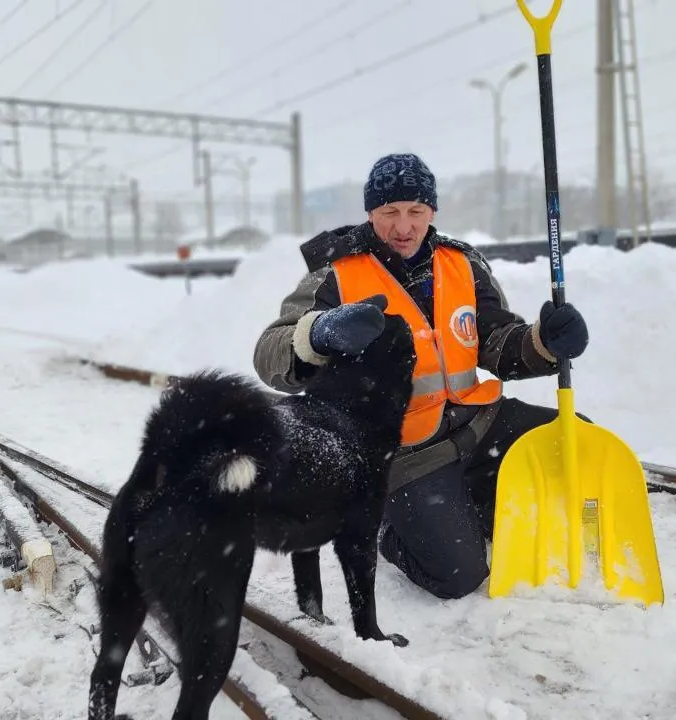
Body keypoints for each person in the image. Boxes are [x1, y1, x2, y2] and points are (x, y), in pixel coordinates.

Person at [252, 153, 590, 600]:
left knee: (575, 439)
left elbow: (495, 342)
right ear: (371, 213)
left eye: (415, 211)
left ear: (432, 211)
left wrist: (544, 341)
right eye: (389, 212)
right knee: (460, 577)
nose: (403, 226)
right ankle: (387, 529)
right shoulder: (335, 275)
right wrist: (321, 334)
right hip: (407, 453)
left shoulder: (461, 264)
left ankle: (470, 496)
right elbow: (268, 354)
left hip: (480, 421)